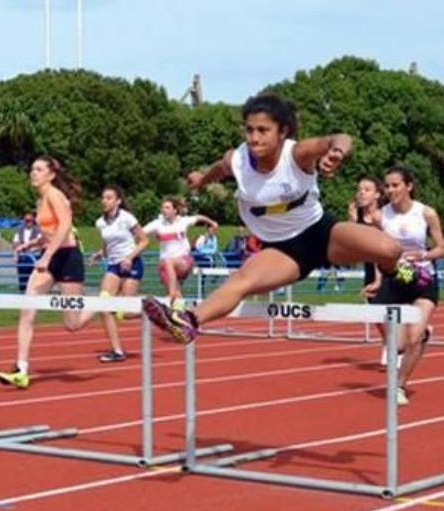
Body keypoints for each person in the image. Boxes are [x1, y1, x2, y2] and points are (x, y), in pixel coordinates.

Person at [141, 93, 402, 346]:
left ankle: (399, 276)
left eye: (263, 130)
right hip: (281, 250)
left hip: (321, 233)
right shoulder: (238, 159)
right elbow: (219, 169)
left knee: (390, 249)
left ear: (283, 131)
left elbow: (340, 137)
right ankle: (187, 322)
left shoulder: (298, 154)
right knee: (242, 280)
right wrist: (201, 180)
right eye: (249, 130)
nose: (254, 138)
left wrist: (336, 153)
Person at [0, 155, 91, 388]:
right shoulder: (40, 201)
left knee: (72, 324)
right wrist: (33, 244)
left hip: (68, 257)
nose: (33, 173)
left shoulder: (54, 195)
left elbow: (65, 226)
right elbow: (49, 232)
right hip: (48, 258)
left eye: (39, 169)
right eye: (32, 169)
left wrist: (47, 255)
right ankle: (21, 368)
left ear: (51, 174)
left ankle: (105, 303)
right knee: (27, 308)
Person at [365, 166, 444, 405]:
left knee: (413, 337)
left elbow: (442, 249)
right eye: (387, 186)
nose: (390, 190)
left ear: (408, 186)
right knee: (399, 344)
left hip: (422, 279)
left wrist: (423, 256)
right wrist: (377, 279)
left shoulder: (426, 213)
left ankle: (398, 385)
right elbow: (375, 250)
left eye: (395, 185)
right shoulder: (381, 216)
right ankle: (423, 336)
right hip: (395, 279)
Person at [90, 184, 149, 362]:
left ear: (118, 201)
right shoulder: (100, 223)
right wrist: (101, 254)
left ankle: (153, 308)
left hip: (131, 264)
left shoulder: (127, 218)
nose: (104, 201)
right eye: (103, 198)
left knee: (125, 311)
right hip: (114, 265)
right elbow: (109, 245)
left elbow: (144, 240)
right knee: (104, 305)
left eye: (109, 198)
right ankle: (117, 351)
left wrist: (129, 257)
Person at [348, 175, 395, 366]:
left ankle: (399, 344)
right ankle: (390, 342)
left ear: (377, 194)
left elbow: (381, 249)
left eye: (367, 189)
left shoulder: (384, 216)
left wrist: (378, 280)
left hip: (390, 265)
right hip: (370, 266)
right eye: (359, 189)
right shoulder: (357, 215)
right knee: (375, 311)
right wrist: (351, 222)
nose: (361, 193)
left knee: (391, 307)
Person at [142, 198, 218, 308]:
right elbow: (140, 232)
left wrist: (212, 222)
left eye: (167, 208)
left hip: (183, 262)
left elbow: (200, 217)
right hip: (165, 267)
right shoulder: (157, 224)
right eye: (162, 208)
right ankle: (183, 317)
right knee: (176, 300)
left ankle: (172, 294)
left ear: (175, 210)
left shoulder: (183, 221)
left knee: (169, 263)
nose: (164, 210)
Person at [12, 212, 43, 292]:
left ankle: (33, 295)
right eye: (27, 220)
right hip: (22, 257)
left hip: (34, 258)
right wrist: (16, 253)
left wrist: (34, 249)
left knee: (33, 278)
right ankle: (22, 294)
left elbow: (41, 244)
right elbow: (15, 243)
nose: (28, 222)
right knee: (22, 278)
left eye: (30, 220)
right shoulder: (19, 230)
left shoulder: (38, 230)